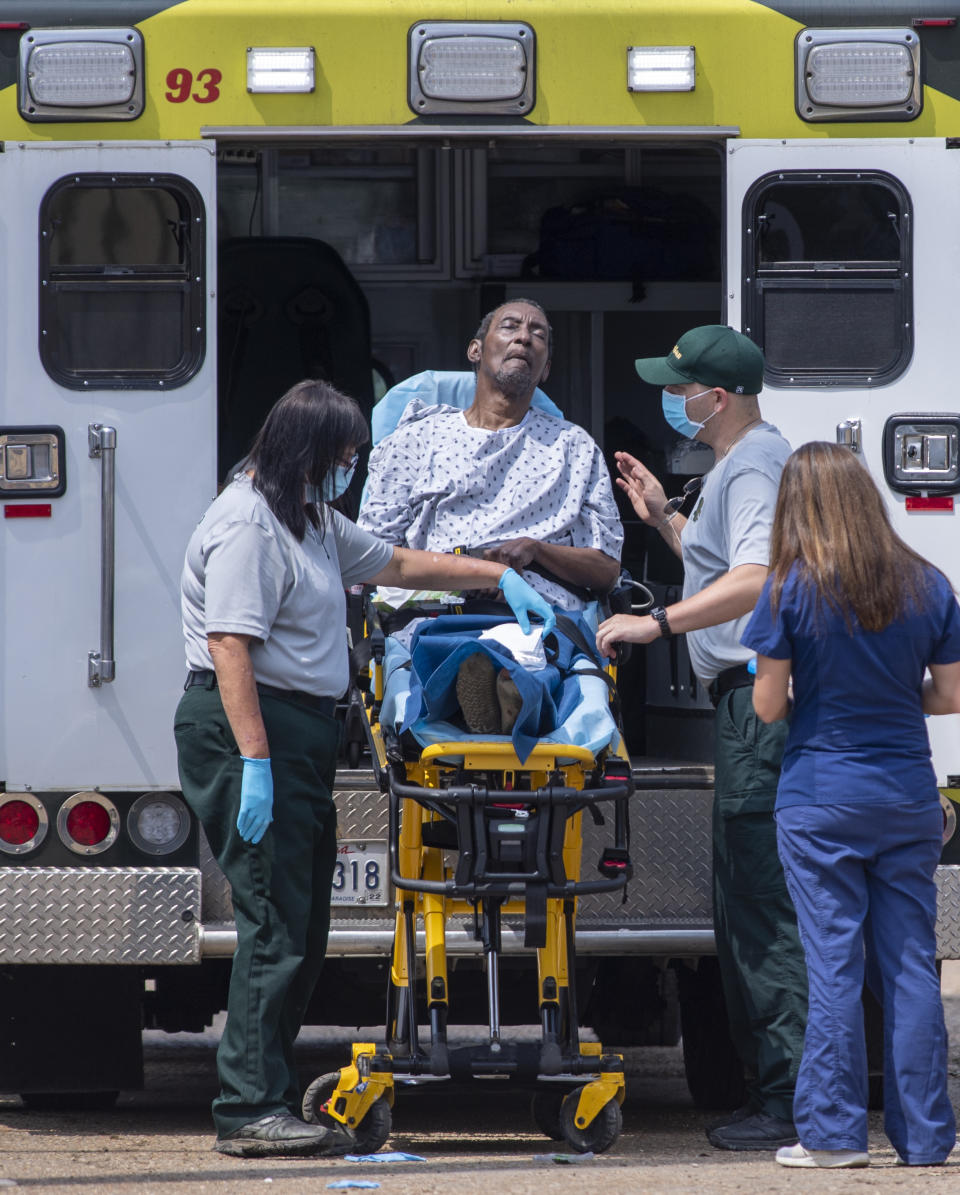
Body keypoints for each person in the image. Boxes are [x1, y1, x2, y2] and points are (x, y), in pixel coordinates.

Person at [174, 379, 555, 1159]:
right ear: (306, 452)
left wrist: (495, 577)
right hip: (255, 723)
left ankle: (269, 1094)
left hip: (299, 728)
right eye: (343, 456)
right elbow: (230, 647)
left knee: (302, 926)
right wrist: (255, 763)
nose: (350, 468)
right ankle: (247, 1107)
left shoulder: (309, 520)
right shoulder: (249, 524)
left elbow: (400, 562)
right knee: (276, 923)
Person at [595, 325, 806, 1151]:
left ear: (716, 397)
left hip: (756, 699)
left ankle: (787, 1099)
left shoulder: (754, 462)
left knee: (761, 906)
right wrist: (660, 519)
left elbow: (758, 580)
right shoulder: (740, 464)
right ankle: (779, 1089)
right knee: (746, 900)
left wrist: (658, 624)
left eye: (680, 388)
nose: (672, 400)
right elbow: (728, 568)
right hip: (743, 699)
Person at [742, 442, 960, 1170]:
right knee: (909, 965)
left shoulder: (788, 588)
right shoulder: (927, 584)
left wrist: (815, 697)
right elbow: (951, 695)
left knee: (833, 962)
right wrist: (897, 697)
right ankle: (927, 1139)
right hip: (906, 795)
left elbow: (768, 706)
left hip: (821, 797)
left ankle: (834, 1136)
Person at [358, 298, 622, 731]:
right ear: (475, 350)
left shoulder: (574, 449)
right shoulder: (413, 442)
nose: (524, 336)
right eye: (511, 326)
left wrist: (535, 552)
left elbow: (606, 571)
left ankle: (501, 681)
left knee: (542, 661)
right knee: (446, 665)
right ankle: (495, 683)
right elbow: (370, 559)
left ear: (546, 369)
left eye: (538, 333)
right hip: (437, 616)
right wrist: (473, 573)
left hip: (541, 619)